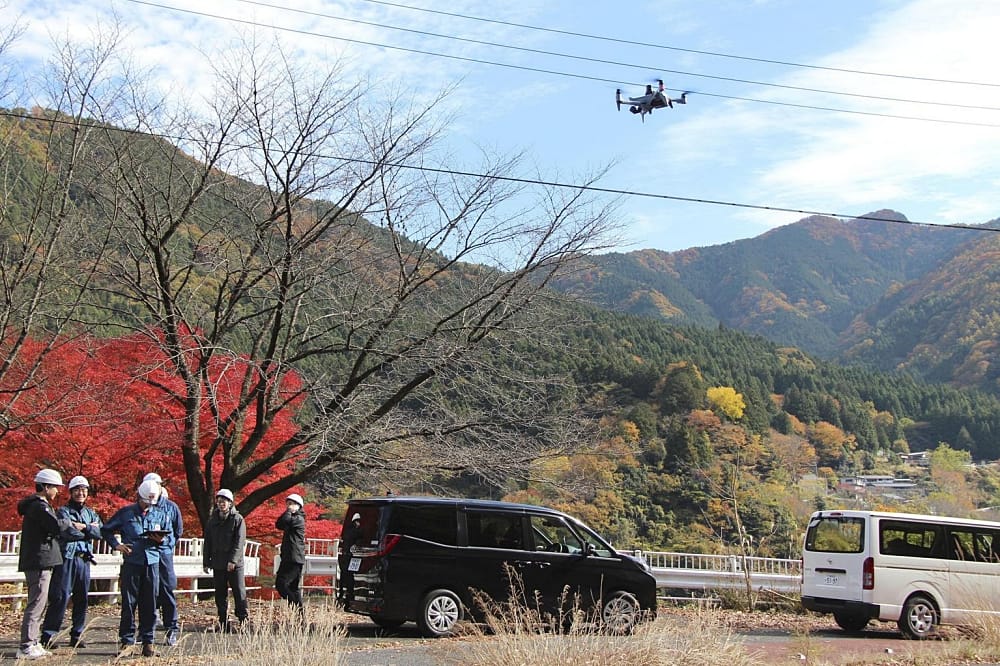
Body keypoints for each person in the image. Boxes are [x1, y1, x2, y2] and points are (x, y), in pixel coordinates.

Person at [17, 469, 84, 661]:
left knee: (40, 602)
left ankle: (33, 641)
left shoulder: (39, 506)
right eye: (54, 487)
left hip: (43, 559)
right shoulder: (40, 507)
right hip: (39, 560)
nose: (56, 491)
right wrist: (71, 524)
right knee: (36, 603)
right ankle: (26, 644)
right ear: (46, 487)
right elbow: (55, 526)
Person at [102, 479, 169, 658]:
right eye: (146, 501)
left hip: (152, 562)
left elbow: (171, 537)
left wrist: (162, 540)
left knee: (150, 604)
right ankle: (127, 642)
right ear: (140, 497)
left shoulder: (160, 513)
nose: (149, 505)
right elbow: (106, 530)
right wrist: (117, 545)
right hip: (132, 563)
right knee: (129, 603)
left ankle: (148, 642)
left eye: (152, 502)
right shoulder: (126, 513)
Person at [41, 476, 102, 650]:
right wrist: (89, 529)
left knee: (82, 598)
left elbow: (100, 532)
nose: (81, 493)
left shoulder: (90, 512)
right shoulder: (63, 511)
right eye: (77, 489)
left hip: (84, 559)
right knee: (60, 597)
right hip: (67, 558)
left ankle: (77, 634)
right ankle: (48, 634)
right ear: (71, 492)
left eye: (84, 490)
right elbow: (67, 532)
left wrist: (83, 527)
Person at [142, 473, 183, 646]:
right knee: (146, 593)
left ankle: (171, 630)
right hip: (146, 553)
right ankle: (145, 631)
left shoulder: (171, 507)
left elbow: (178, 531)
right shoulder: (142, 505)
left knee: (167, 591)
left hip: (164, 554)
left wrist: (166, 541)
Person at [202, 489, 248, 632]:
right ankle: (223, 622)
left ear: (230, 503)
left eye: (224, 501)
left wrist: (233, 561)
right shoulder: (212, 521)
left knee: (239, 592)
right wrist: (206, 561)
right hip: (218, 562)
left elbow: (239, 542)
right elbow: (207, 542)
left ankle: (243, 621)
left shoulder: (238, 519)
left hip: (235, 564)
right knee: (220, 594)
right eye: (219, 501)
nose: (221, 504)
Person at [274, 493, 306, 612]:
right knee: (293, 588)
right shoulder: (292, 518)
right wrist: (288, 511)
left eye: (292, 504)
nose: (289, 506)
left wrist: (288, 512)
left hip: (293, 557)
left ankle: (296, 608)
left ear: (299, 506)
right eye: (287, 504)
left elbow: (285, 521)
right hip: (290, 557)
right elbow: (279, 524)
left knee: (281, 584)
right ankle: (300, 617)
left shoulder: (299, 519)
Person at [337, 513, 363, 607]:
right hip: (351, 557)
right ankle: (349, 596)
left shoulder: (346, 531)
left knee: (344, 577)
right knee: (350, 577)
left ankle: (342, 596)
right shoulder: (357, 532)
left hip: (344, 556)